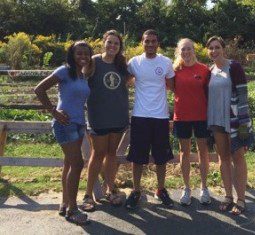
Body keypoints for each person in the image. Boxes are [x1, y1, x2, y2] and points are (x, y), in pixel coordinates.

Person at [34, 41, 92, 225]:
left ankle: (65, 203)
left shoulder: (82, 75)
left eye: (86, 54)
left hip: (78, 124)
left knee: (69, 163)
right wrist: (53, 111)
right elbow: (39, 89)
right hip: (64, 124)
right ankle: (73, 210)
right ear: (72, 55)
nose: (83, 57)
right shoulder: (64, 71)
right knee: (77, 163)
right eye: (79, 54)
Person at [125, 29, 175, 209]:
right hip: (140, 116)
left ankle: (161, 190)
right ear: (142, 42)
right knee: (137, 158)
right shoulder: (134, 62)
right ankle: (136, 190)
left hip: (161, 117)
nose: (150, 44)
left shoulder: (166, 62)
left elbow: (171, 86)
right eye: (147, 41)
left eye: (154, 41)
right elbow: (124, 80)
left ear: (158, 43)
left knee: (161, 158)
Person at [82, 30, 129, 211]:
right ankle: (88, 194)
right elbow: (80, 79)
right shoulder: (94, 61)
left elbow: (130, 81)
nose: (112, 46)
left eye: (116, 44)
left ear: (119, 47)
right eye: (109, 42)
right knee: (97, 154)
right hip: (98, 117)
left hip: (118, 116)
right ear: (104, 43)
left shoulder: (121, 63)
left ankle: (110, 188)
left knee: (112, 154)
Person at [206, 36, 254, 215]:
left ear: (223, 49)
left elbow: (243, 95)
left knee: (238, 157)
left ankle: (241, 199)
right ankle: (228, 196)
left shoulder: (234, 67)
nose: (214, 51)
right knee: (223, 158)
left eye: (217, 47)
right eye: (210, 48)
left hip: (234, 121)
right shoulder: (209, 70)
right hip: (216, 120)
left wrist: (244, 122)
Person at [172, 38, 211, 206]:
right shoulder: (174, 71)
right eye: (183, 50)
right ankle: (187, 188)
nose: (186, 52)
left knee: (203, 152)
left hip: (201, 116)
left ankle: (204, 187)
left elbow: (209, 92)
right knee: (184, 153)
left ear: (193, 51)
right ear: (178, 52)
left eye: (189, 49)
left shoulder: (204, 69)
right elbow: (172, 89)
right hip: (182, 117)